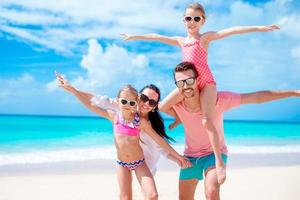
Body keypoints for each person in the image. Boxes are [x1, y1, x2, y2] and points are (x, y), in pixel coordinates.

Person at [121, 2, 279, 184]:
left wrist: (259, 28)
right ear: (184, 20)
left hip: (206, 84)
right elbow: (157, 37)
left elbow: (231, 31)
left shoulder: (204, 38)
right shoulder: (181, 41)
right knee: (163, 105)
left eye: (197, 18)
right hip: (187, 84)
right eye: (188, 18)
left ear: (203, 21)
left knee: (206, 120)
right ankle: (180, 118)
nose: (192, 22)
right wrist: (135, 36)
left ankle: (219, 162)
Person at [159, 61, 300, 200]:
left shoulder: (219, 99)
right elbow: (159, 106)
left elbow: (256, 97)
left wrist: (293, 93)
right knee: (184, 197)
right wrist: (178, 118)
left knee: (211, 191)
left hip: (214, 153)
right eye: (180, 83)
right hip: (190, 156)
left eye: (189, 80)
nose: (186, 86)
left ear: (198, 80)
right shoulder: (177, 104)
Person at [55, 72, 191, 200]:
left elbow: (160, 142)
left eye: (152, 102)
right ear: (118, 101)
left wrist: (179, 157)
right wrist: (73, 90)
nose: (128, 104)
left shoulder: (142, 122)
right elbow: (92, 101)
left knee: (152, 195)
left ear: (154, 106)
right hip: (122, 164)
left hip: (140, 163)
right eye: (143, 98)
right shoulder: (114, 115)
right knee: (125, 198)